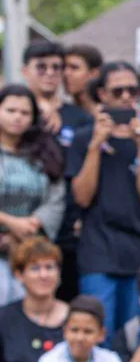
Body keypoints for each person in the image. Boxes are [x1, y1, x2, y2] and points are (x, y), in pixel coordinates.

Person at [68, 64, 140, 334]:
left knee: (132, 335)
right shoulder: (83, 138)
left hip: (137, 251)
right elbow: (82, 197)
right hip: (97, 251)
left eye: (132, 90)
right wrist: (95, 145)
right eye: (118, 91)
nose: (126, 97)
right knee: (97, 332)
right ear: (102, 93)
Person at [0, 85, 66, 305]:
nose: (17, 117)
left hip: (30, 249)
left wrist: (32, 224)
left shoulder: (44, 151)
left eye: (25, 113)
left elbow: (55, 198)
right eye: (11, 111)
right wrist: (10, 223)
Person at [0, 237, 68, 362]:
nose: (43, 275)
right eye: (35, 268)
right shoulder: (4, 318)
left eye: (50, 267)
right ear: (19, 275)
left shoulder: (77, 320)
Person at [22, 42, 90, 140]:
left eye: (56, 67)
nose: (50, 73)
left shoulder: (80, 116)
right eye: (41, 67)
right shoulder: (12, 112)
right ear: (25, 71)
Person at [63, 44, 103, 108]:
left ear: (93, 74)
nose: (65, 73)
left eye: (74, 68)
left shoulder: (110, 111)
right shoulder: (59, 111)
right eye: (63, 67)